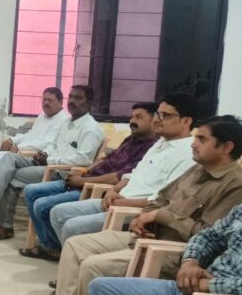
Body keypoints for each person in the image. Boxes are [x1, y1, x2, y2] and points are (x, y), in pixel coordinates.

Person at [47, 115, 242, 295]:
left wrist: (160, 216)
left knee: (93, 266)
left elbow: (203, 230)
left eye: (202, 139)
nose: (193, 144)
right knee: (76, 245)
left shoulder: (235, 185)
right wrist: (144, 218)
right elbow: (162, 199)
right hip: (150, 235)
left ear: (226, 147)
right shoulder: (198, 168)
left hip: (170, 249)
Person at [89, 174, 242, 295]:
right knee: (100, 288)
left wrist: (208, 285)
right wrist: (190, 261)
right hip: (192, 289)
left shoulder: (234, 184)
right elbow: (209, 236)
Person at [49, 94, 198, 247]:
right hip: (118, 199)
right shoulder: (161, 143)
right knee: (57, 212)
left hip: (135, 212)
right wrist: (114, 190)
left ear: (186, 121)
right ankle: (71, 255)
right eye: (157, 114)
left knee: (72, 226)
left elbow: (163, 201)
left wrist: (122, 202)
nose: (157, 120)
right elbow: (132, 174)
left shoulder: (187, 154)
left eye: (165, 115)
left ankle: (75, 256)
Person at [20, 102, 158, 261]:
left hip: (95, 188)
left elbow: (119, 177)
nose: (132, 121)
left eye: (138, 117)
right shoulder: (130, 139)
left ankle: (56, 248)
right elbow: (105, 160)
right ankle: (52, 246)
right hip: (85, 180)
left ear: (153, 120)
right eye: (132, 116)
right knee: (31, 191)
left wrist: (83, 181)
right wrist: (84, 171)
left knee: (42, 205)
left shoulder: (150, 148)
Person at [0, 85, 104, 241]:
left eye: (78, 98)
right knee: (8, 158)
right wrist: (44, 154)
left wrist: (49, 160)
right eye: (71, 97)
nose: (72, 101)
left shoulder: (90, 129)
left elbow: (83, 160)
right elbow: (53, 145)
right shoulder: (67, 123)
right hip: (48, 162)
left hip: (63, 172)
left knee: (12, 175)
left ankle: (4, 227)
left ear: (89, 102)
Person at [0, 87, 68, 216]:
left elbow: (46, 144)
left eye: (50, 100)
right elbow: (30, 135)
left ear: (60, 102)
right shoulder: (43, 116)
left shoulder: (63, 120)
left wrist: (20, 147)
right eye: (44, 100)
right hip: (21, 152)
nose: (46, 103)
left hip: (33, 156)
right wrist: (12, 140)